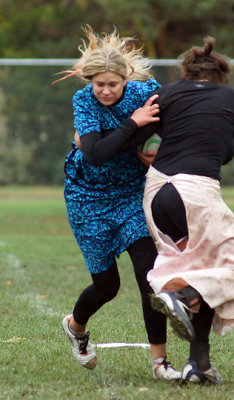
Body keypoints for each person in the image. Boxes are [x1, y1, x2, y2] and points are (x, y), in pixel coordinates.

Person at [56, 26, 180, 380]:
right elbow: (95, 156)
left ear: (126, 78)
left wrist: (148, 140)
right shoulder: (83, 100)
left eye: (113, 84)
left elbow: (105, 143)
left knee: (148, 275)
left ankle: (160, 363)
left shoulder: (146, 92)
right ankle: (75, 326)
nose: (106, 91)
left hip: (130, 194)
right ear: (90, 81)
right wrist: (134, 126)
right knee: (108, 286)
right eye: (100, 85)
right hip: (86, 198)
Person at [139, 36, 234, 385]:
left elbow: (143, 136)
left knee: (204, 270)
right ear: (221, 76)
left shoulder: (164, 95)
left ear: (186, 72)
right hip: (194, 191)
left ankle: (199, 364)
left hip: (155, 193)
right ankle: (183, 295)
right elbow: (226, 153)